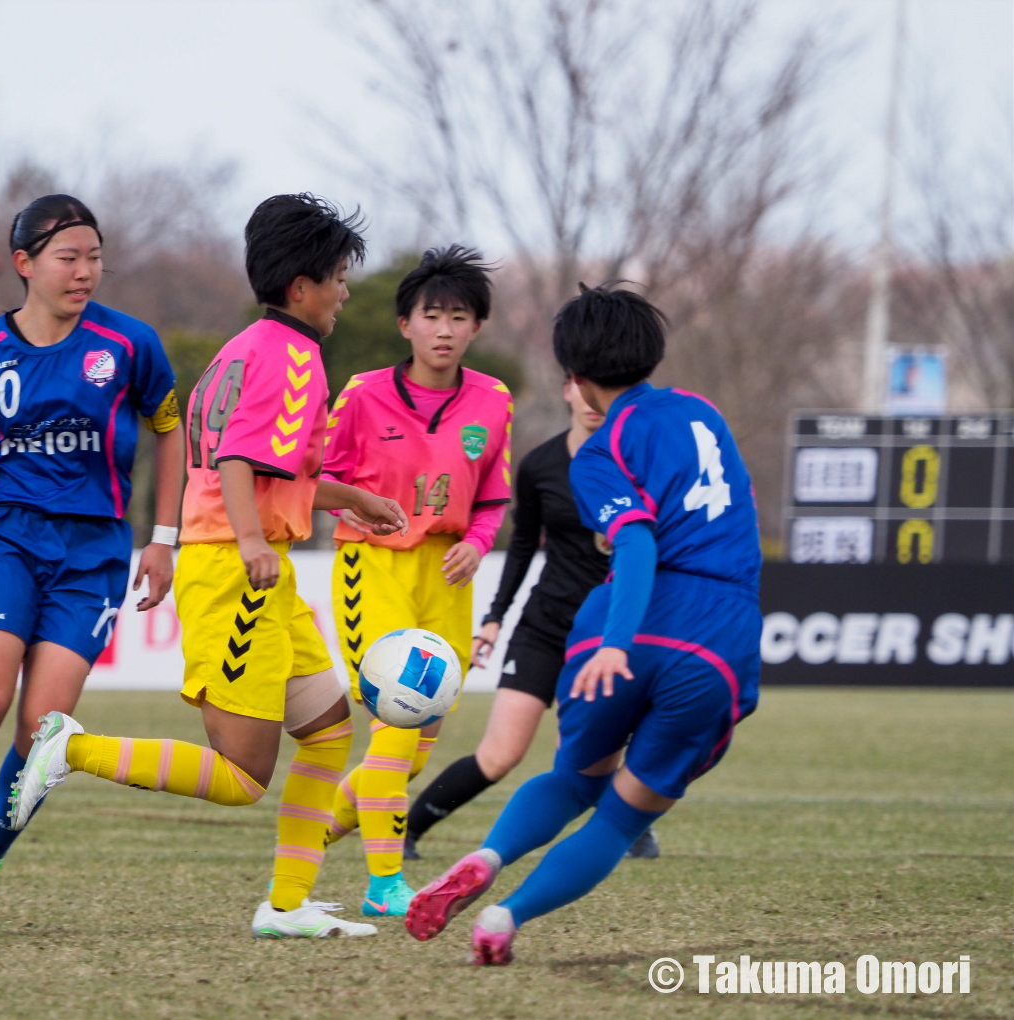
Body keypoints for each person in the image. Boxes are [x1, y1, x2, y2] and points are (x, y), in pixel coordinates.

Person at [9, 194, 409, 938]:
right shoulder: (291, 357)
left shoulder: (246, 347)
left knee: (327, 730)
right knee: (244, 777)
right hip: (237, 573)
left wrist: (351, 495)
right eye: (339, 278)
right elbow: (234, 460)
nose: (346, 292)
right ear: (302, 287)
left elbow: (267, 473)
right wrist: (256, 543)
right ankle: (70, 747)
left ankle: (287, 906)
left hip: (258, 565)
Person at [406, 283, 762, 965]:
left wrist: (616, 644)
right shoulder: (702, 411)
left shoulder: (593, 458)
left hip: (611, 627)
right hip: (715, 636)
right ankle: (505, 918)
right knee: (622, 815)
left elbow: (632, 543)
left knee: (575, 777)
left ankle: (488, 854)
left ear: (573, 377)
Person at [0, 195, 183, 927]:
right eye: (69, 258)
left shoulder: (132, 345)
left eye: (95, 256)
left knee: (44, 730)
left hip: (94, 552)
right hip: (2, 539)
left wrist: (164, 538)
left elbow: (173, 433)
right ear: (25, 265)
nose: (87, 271)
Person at [320, 246, 513, 917]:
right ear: (405, 324)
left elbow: (492, 496)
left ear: (476, 327)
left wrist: (478, 543)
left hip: (447, 577)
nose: (445, 329)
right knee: (397, 725)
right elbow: (312, 474)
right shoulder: (363, 395)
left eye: (459, 316)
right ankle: (384, 886)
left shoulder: (494, 400)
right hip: (373, 567)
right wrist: (358, 506)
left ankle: (309, 833)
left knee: (413, 752)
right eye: (432, 315)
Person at [404, 371, 666, 858]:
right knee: (500, 755)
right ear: (567, 388)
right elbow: (522, 547)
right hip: (546, 626)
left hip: (607, 632)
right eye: (581, 383)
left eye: (601, 385)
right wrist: (495, 617)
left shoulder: (640, 462)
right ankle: (410, 829)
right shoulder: (541, 464)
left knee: (591, 750)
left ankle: (630, 822)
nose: (591, 398)